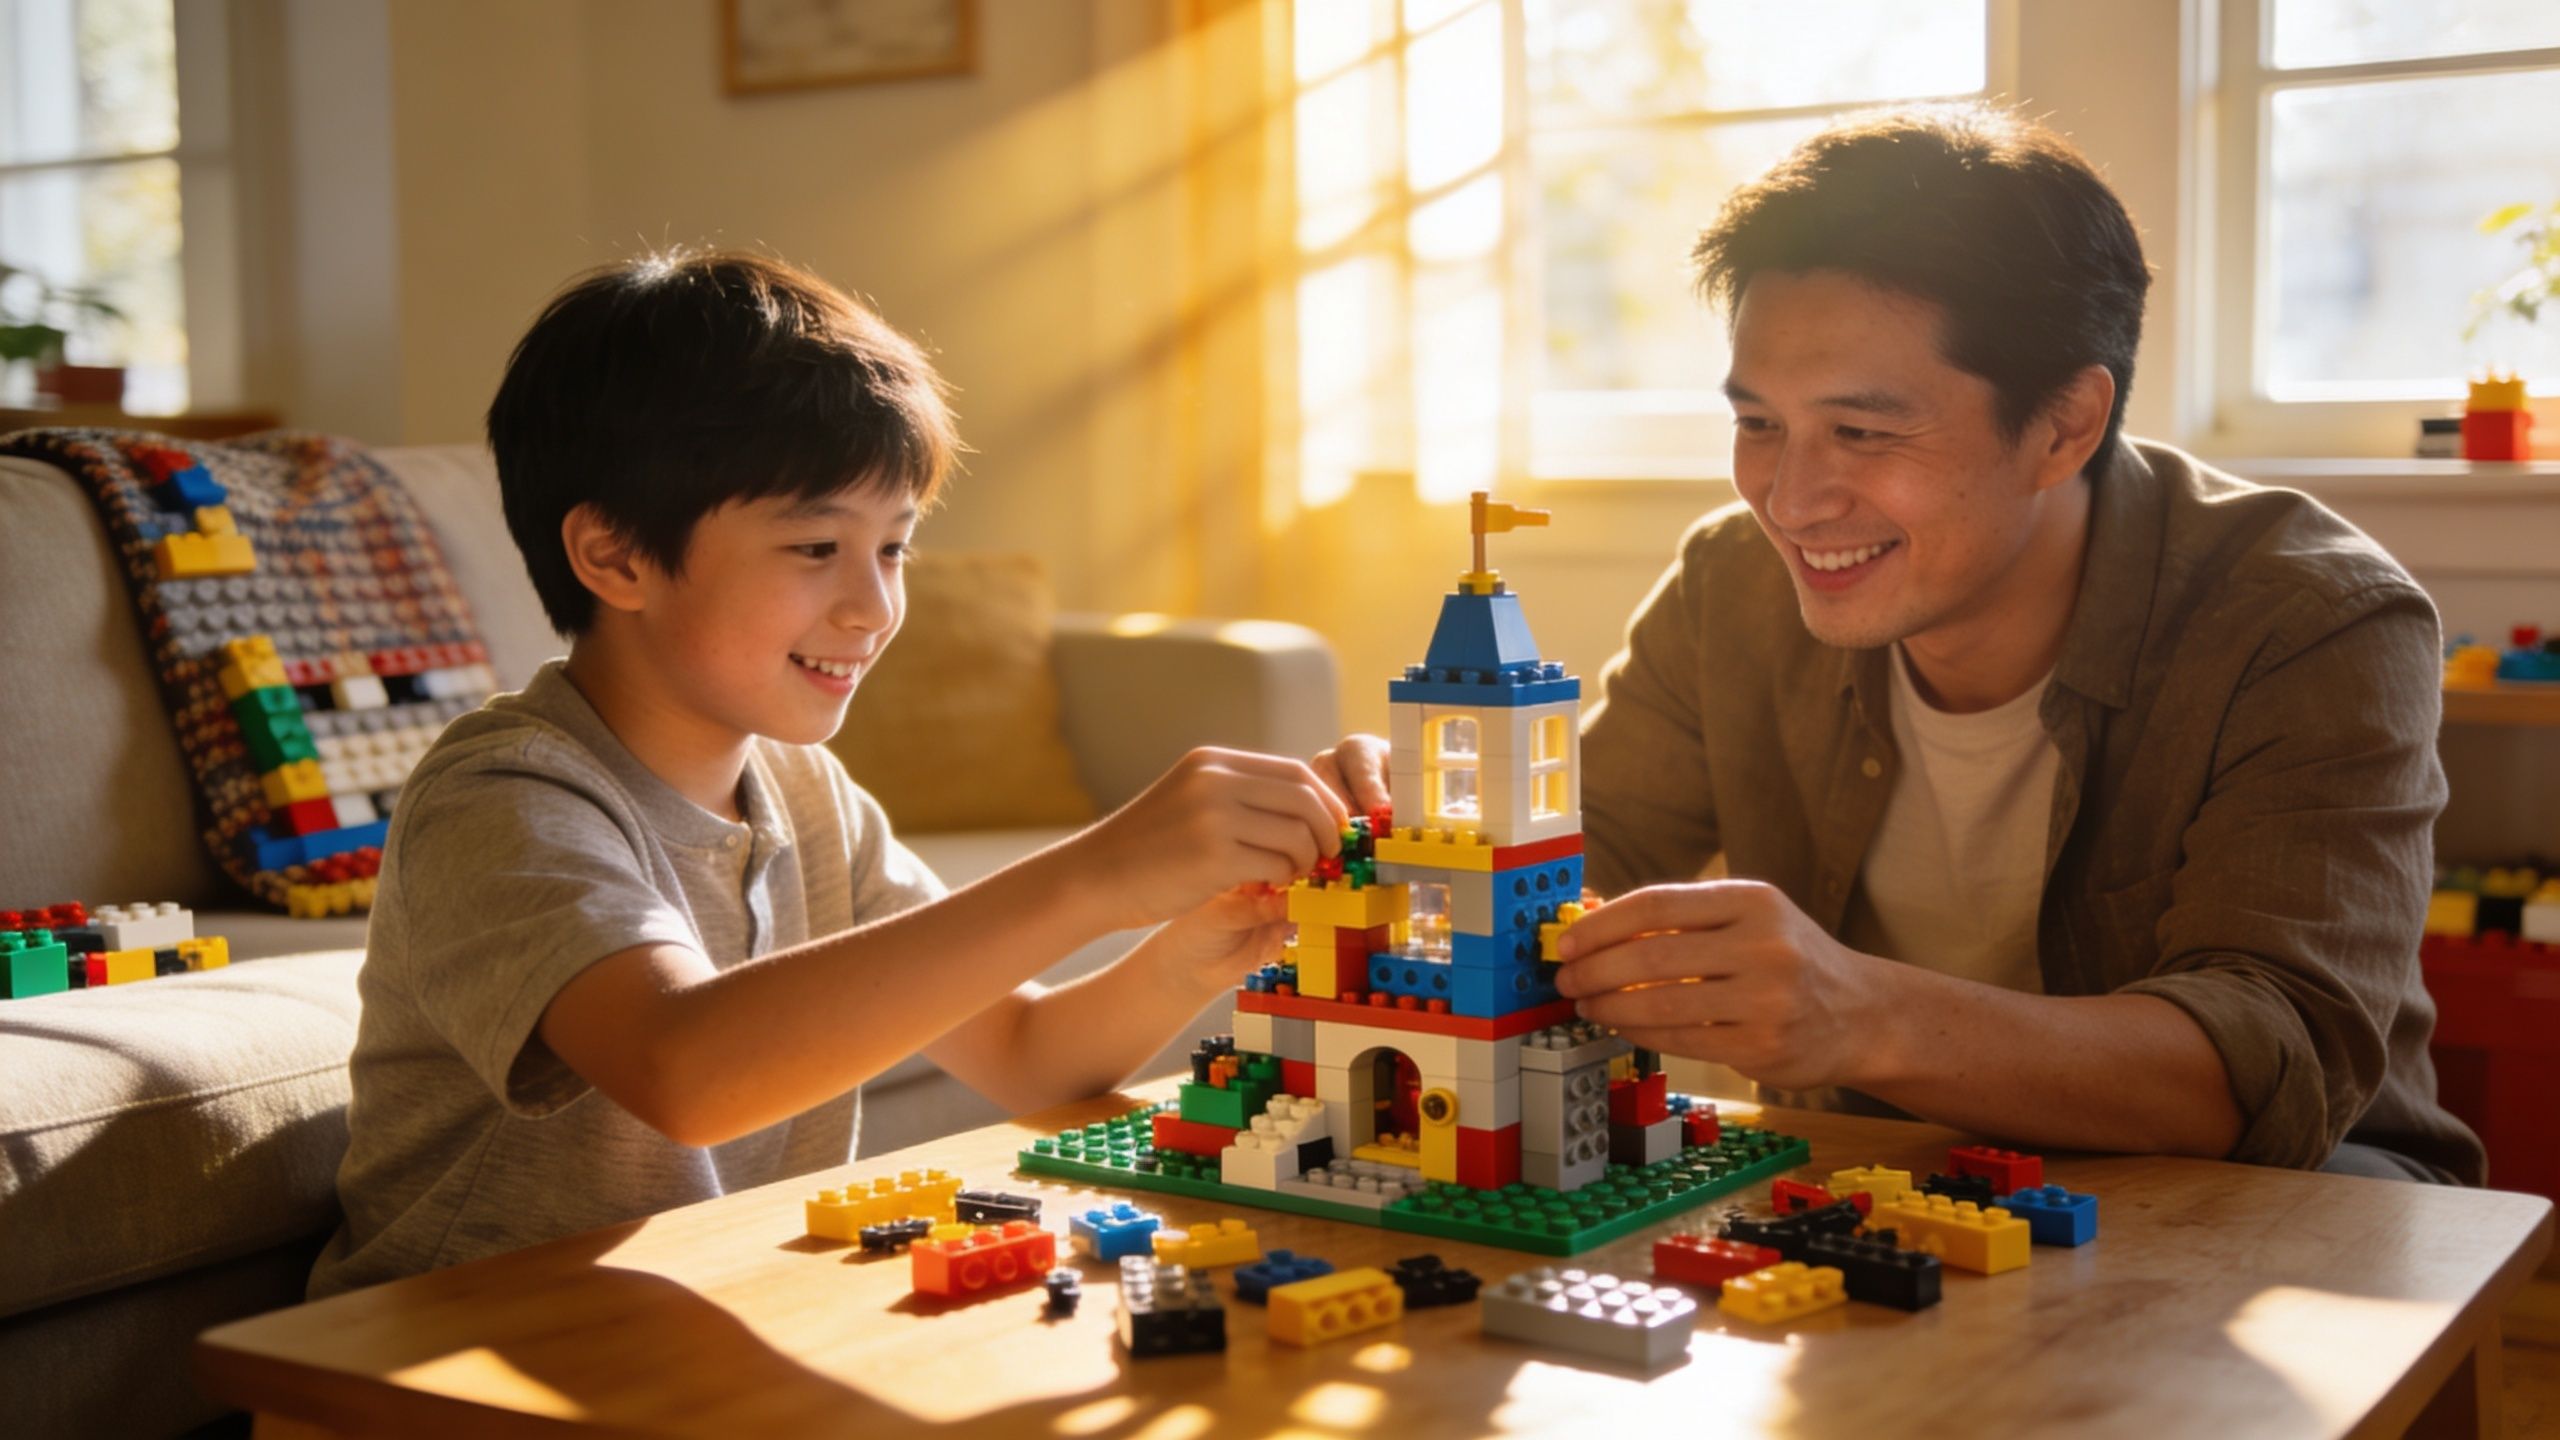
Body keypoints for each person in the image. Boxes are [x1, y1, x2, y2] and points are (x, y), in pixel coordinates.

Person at [1318, 105, 2483, 1184]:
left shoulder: (2307, 622)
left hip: (2283, 1190)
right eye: (1757, 424)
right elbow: (1590, 856)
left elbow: (2263, 1064)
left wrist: (1859, 1014)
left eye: (1863, 431)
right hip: (1870, 1169)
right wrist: (1419, 848)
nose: (1790, 497)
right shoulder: (1732, 583)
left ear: (2065, 425)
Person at [311, 250, 1348, 1297]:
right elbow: (686, 1071)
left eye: (892, 547)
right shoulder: (504, 800)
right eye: (815, 547)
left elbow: (1030, 1056)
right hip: (442, 1354)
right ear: (616, 556)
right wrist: (1095, 872)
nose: (872, 607)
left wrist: (1195, 949)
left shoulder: (806, 796)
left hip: (693, 1331)